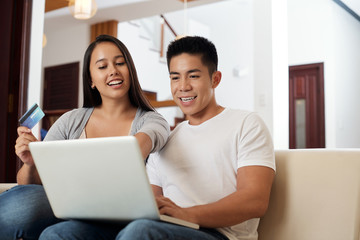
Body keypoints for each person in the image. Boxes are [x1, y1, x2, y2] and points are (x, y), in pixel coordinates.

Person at [38, 36, 276, 240]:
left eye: (193, 76)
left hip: (220, 234)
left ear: (215, 79)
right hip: (166, 228)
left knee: (140, 232)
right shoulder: (168, 141)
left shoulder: (246, 124)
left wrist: (188, 214)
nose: (183, 86)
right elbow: (149, 201)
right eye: (175, 77)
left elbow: (255, 200)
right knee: (58, 234)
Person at [0, 34, 170, 240]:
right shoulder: (71, 120)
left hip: (122, 217)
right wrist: (31, 164)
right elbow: (29, 186)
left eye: (119, 63)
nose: (113, 71)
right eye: (102, 66)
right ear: (91, 80)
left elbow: (141, 145)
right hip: (71, 210)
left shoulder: (152, 120)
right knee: (21, 205)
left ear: (130, 71)